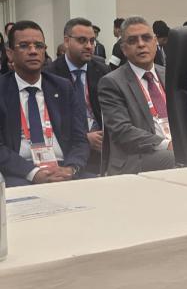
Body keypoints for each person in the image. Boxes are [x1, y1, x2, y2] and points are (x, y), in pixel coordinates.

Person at [0, 21, 89, 187]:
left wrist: (71, 168)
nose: (33, 51)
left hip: (63, 168)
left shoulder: (63, 87)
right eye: (24, 46)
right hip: (21, 173)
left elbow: (80, 139)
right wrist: (34, 173)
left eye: (39, 46)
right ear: (10, 53)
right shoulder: (2, 89)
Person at [98, 16, 175, 175]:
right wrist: (166, 144)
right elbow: (122, 131)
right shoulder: (112, 82)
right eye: (133, 40)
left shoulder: (169, 74)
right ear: (123, 48)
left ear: (155, 42)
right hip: (136, 157)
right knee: (177, 158)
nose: (141, 44)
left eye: (146, 38)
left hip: (173, 148)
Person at [47, 18, 110, 174]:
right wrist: (84, 137)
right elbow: (53, 120)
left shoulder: (102, 71)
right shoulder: (49, 75)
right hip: (69, 148)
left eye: (92, 41)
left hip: (103, 146)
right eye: (82, 40)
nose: (89, 46)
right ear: (66, 41)